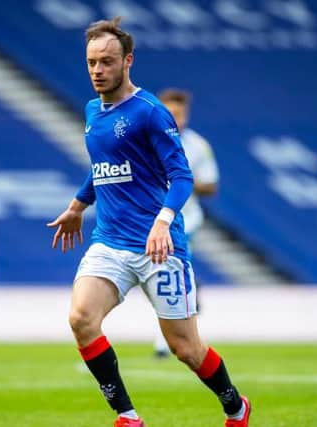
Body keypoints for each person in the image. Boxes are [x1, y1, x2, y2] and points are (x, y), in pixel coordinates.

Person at [47, 17, 251, 427]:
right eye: (91, 62)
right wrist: (76, 205)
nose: (97, 70)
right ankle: (128, 417)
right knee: (80, 319)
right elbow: (102, 166)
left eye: (106, 61)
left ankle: (235, 406)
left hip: (160, 247)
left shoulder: (150, 113)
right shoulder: (92, 111)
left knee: (186, 348)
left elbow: (182, 176)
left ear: (128, 62)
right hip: (109, 241)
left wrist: (162, 221)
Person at [152, 88, 219, 358]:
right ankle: (191, 285)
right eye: (169, 113)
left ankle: (164, 343)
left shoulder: (198, 146)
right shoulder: (146, 141)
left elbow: (211, 185)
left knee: (164, 275)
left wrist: (185, 183)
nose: (174, 119)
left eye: (178, 114)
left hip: (184, 221)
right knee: (160, 277)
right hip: (151, 221)